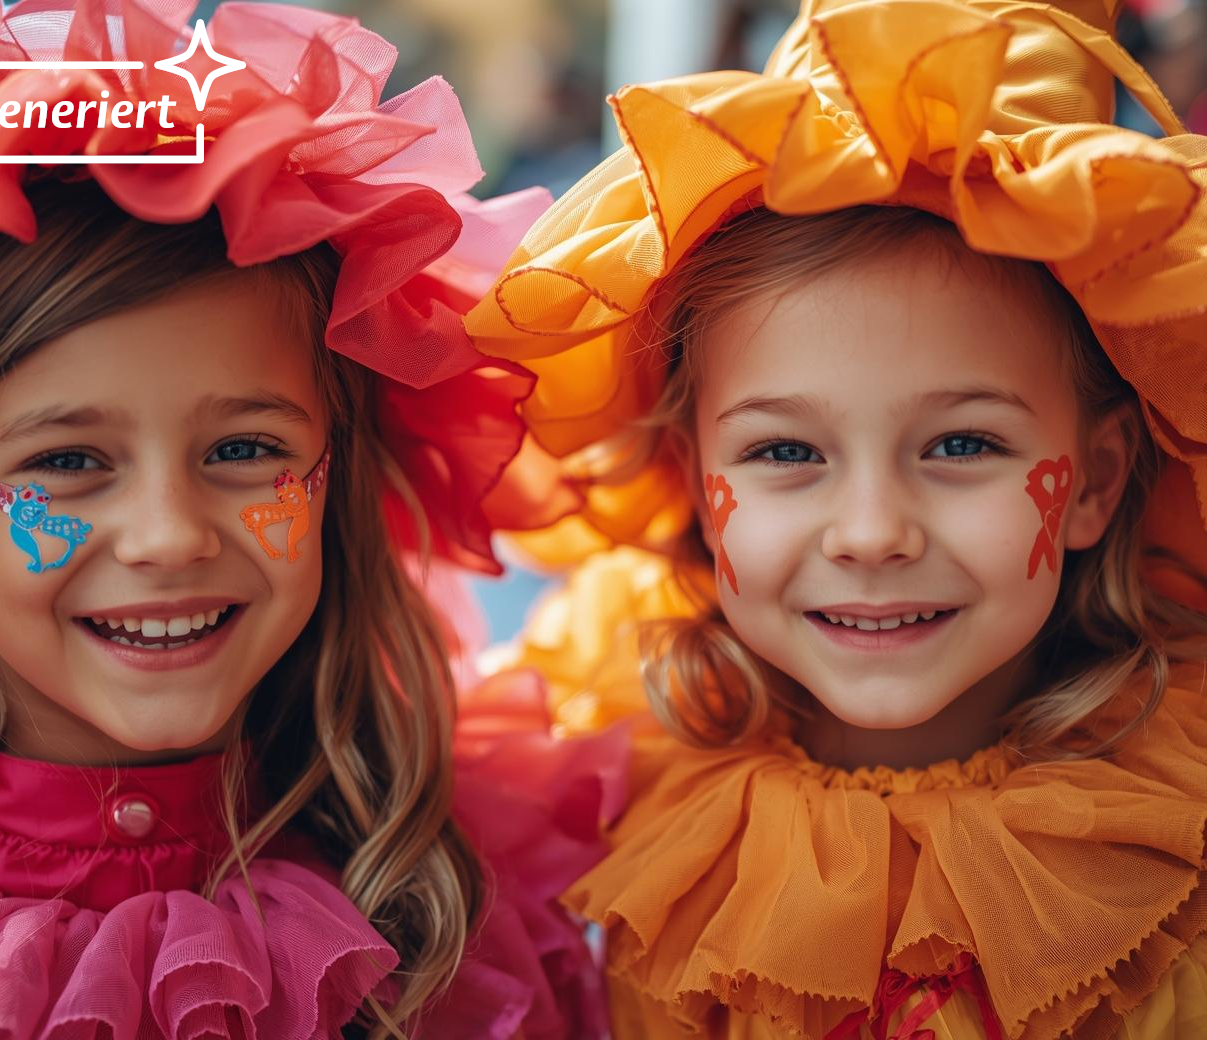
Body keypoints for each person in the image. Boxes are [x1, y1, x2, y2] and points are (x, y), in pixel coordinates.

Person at [0, 1, 621, 1037]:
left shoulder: (462, 897)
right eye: (67, 463)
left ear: (335, 464)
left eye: (243, 451)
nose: (170, 536)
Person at [466, 0, 1207, 1035]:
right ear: (695, 481)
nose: (870, 532)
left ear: (1092, 480)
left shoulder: (1173, 843)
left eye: (961, 445)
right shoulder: (596, 770)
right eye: (785, 452)